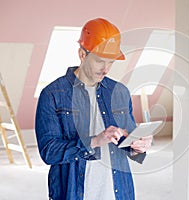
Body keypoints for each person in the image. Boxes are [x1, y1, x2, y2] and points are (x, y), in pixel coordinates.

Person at [35, 18, 153, 200]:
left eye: (111, 62)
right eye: (99, 61)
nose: (106, 69)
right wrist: (95, 141)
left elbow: (127, 142)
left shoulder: (119, 92)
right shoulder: (53, 94)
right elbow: (49, 152)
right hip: (74, 192)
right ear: (82, 54)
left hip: (118, 192)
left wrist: (138, 147)